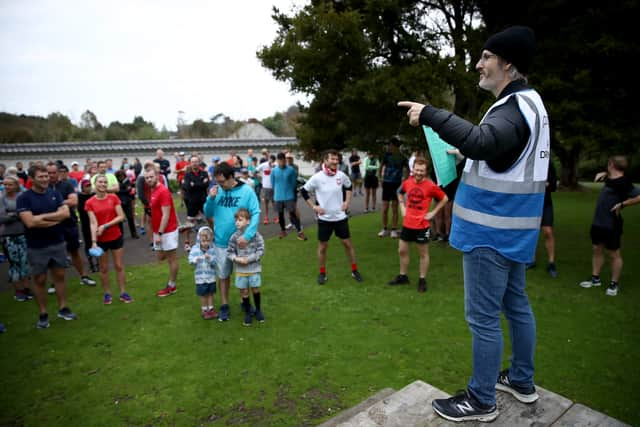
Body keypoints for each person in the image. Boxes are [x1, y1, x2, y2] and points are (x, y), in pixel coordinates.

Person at [399, 25, 549, 422]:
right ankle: (520, 379)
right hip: (513, 231)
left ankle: (481, 400)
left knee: (482, 318)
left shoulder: (514, 107)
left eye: (486, 57)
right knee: (516, 305)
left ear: (508, 64)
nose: (478, 64)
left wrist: (431, 114)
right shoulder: (528, 104)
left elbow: (485, 141)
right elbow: (501, 157)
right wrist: (466, 157)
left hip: (490, 233)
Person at [17, 164, 78, 328]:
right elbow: (30, 223)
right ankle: (43, 313)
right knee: (40, 279)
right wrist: (54, 219)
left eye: (46, 176)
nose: (45, 179)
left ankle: (63, 307)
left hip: (57, 242)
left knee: (59, 276)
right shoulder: (24, 198)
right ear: (31, 179)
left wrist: (41, 218)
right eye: (41, 177)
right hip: (37, 246)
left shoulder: (54, 193)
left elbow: (65, 214)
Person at [203, 162, 261, 322]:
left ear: (231, 177)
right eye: (217, 181)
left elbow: (256, 212)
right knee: (223, 275)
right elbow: (207, 212)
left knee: (246, 274)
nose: (219, 185)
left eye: (222, 181)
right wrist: (210, 198)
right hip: (221, 241)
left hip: (243, 243)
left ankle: (246, 302)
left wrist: (248, 236)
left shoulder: (246, 191)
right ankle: (224, 305)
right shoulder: (217, 191)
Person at [578, 156, 640, 296]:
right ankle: (595, 279)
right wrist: (605, 174)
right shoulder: (611, 178)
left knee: (613, 254)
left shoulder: (624, 182)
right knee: (596, 249)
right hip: (598, 222)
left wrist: (622, 204)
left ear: (611, 164)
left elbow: (638, 196)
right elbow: (612, 178)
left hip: (611, 224)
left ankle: (614, 284)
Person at [301, 149, 363, 285]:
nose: (336, 162)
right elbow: (304, 191)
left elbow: (349, 186)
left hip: (340, 218)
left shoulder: (341, 175)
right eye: (332, 159)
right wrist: (314, 207)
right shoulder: (317, 177)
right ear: (325, 161)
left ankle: (354, 270)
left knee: (347, 244)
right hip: (324, 220)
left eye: (337, 159)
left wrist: (347, 202)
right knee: (323, 247)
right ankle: (322, 273)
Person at [387, 158, 448, 292]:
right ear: (412, 170)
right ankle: (403, 277)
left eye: (421, 170)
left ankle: (422, 280)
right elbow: (399, 192)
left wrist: (433, 212)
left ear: (425, 172)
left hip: (422, 226)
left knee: (423, 254)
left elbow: (444, 199)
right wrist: (402, 206)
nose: (419, 173)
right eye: (417, 170)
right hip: (408, 224)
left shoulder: (431, 186)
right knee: (402, 250)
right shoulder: (407, 182)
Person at [86, 175, 133, 304]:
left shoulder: (113, 198)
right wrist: (94, 242)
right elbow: (93, 223)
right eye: (100, 182)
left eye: (105, 182)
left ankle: (123, 292)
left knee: (119, 266)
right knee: (104, 268)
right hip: (101, 240)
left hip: (115, 236)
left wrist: (105, 226)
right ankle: (107, 293)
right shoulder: (89, 202)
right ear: (95, 184)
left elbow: (121, 216)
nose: (103, 184)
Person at [48, 162, 96, 289]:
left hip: (68, 223)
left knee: (74, 251)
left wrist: (53, 203)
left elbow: (74, 201)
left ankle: (83, 276)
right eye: (49, 173)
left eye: (54, 172)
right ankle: (55, 282)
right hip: (51, 225)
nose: (51, 175)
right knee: (55, 254)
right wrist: (62, 203)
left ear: (58, 173)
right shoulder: (44, 188)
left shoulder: (66, 185)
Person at [144, 166, 180, 297]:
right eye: (147, 177)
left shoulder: (163, 191)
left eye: (151, 177)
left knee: (171, 258)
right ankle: (172, 282)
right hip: (158, 230)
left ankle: (172, 285)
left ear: (157, 176)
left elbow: (166, 214)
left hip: (166, 231)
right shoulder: (152, 190)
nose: (148, 179)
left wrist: (160, 233)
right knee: (160, 256)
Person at [227, 208, 266, 326]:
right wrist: (237, 259)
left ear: (248, 221)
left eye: (240, 220)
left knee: (255, 289)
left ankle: (258, 310)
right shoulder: (234, 237)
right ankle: (248, 312)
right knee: (244, 291)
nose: (237, 222)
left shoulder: (255, 235)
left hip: (254, 268)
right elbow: (229, 252)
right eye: (236, 220)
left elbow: (261, 250)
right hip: (241, 270)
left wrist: (249, 259)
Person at [0, 175, 32, 302]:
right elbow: (1, 218)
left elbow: (29, 211)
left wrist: (11, 213)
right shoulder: (2, 199)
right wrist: (18, 214)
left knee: (24, 262)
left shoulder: (21, 197)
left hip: (23, 234)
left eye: (9, 184)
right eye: (5, 184)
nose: (7, 187)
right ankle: (18, 290)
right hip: (8, 236)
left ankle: (26, 288)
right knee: (14, 263)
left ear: (16, 185)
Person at [528, 162, 558, 276]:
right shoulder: (528, 163)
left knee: (548, 231)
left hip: (545, 203)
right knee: (532, 231)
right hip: (531, 202)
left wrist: (544, 184)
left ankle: (551, 262)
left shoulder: (548, 165)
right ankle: (531, 260)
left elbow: (553, 186)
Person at [378, 137, 409, 238]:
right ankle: (384, 228)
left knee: (395, 207)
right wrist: (380, 178)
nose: (388, 147)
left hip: (396, 184)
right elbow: (381, 167)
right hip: (386, 183)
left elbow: (408, 170)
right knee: (385, 207)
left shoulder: (402, 157)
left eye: (390, 145)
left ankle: (394, 229)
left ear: (395, 146)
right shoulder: (386, 156)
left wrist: (405, 181)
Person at [271, 152, 306, 240]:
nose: (282, 162)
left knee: (293, 214)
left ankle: (300, 232)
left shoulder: (291, 170)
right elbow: (273, 183)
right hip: (278, 197)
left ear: (285, 160)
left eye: (283, 160)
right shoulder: (274, 171)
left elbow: (294, 183)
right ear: (277, 161)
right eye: (280, 161)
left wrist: (291, 193)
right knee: (280, 215)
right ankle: (283, 231)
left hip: (289, 196)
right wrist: (277, 192)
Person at [188, 226, 218, 320]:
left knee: (210, 293)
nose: (206, 243)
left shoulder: (212, 250)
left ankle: (211, 309)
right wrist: (195, 260)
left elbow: (215, 262)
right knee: (203, 294)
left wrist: (211, 259)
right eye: (203, 241)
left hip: (210, 277)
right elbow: (190, 260)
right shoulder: (195, 249)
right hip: (200, 278)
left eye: (208, 241)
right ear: (199, 240)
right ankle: (204, 310)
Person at [181, 155, 210, 250]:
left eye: (196, 161)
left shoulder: (204, 173)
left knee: (210, 219)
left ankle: (214, 239)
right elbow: (187, 187)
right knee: (189, 223)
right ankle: (187, 242)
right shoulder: (187, 175)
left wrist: (195, 184)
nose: (194, 163)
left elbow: (206, 184)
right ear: (190, 163)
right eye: (192, 162)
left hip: (203, 200)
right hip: (192, 202)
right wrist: (200, 184)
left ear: (199, 162)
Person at [77, 178, 99, 273]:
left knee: (97, 241)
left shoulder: (94, 195)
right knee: (88, 243)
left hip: (95, 222)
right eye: (86, 186)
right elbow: (81, 210)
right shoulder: (79, 197)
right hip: (86, 223)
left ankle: (98, 263)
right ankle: (91, 263)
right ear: (82, 187)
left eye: (90, 185)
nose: (88, 187)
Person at [114, 170, 139, 239]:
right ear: (117, 177)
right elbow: (117, 191)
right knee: (120, 219)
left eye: (122, 176)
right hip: (119, 202)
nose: (121, 178)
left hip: (127, 201)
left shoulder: (126, 181)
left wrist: (120, 189)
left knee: (130, 217)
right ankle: (120, 235)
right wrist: (123, 189)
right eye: (120, 177)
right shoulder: (116, 182)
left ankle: (134, 233)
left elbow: (128, 190)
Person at [257, 155, 276, 224]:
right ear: (269, 159)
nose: (271, 162)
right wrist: (260, 179)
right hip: (265, 187)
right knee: (266, 203)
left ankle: (275, 217)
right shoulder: (263, 165)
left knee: (274, 203)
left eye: (273, 161)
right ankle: (266, 217)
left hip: (274, 187)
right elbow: (255, 171)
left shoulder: (276, 166)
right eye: (270, 160)